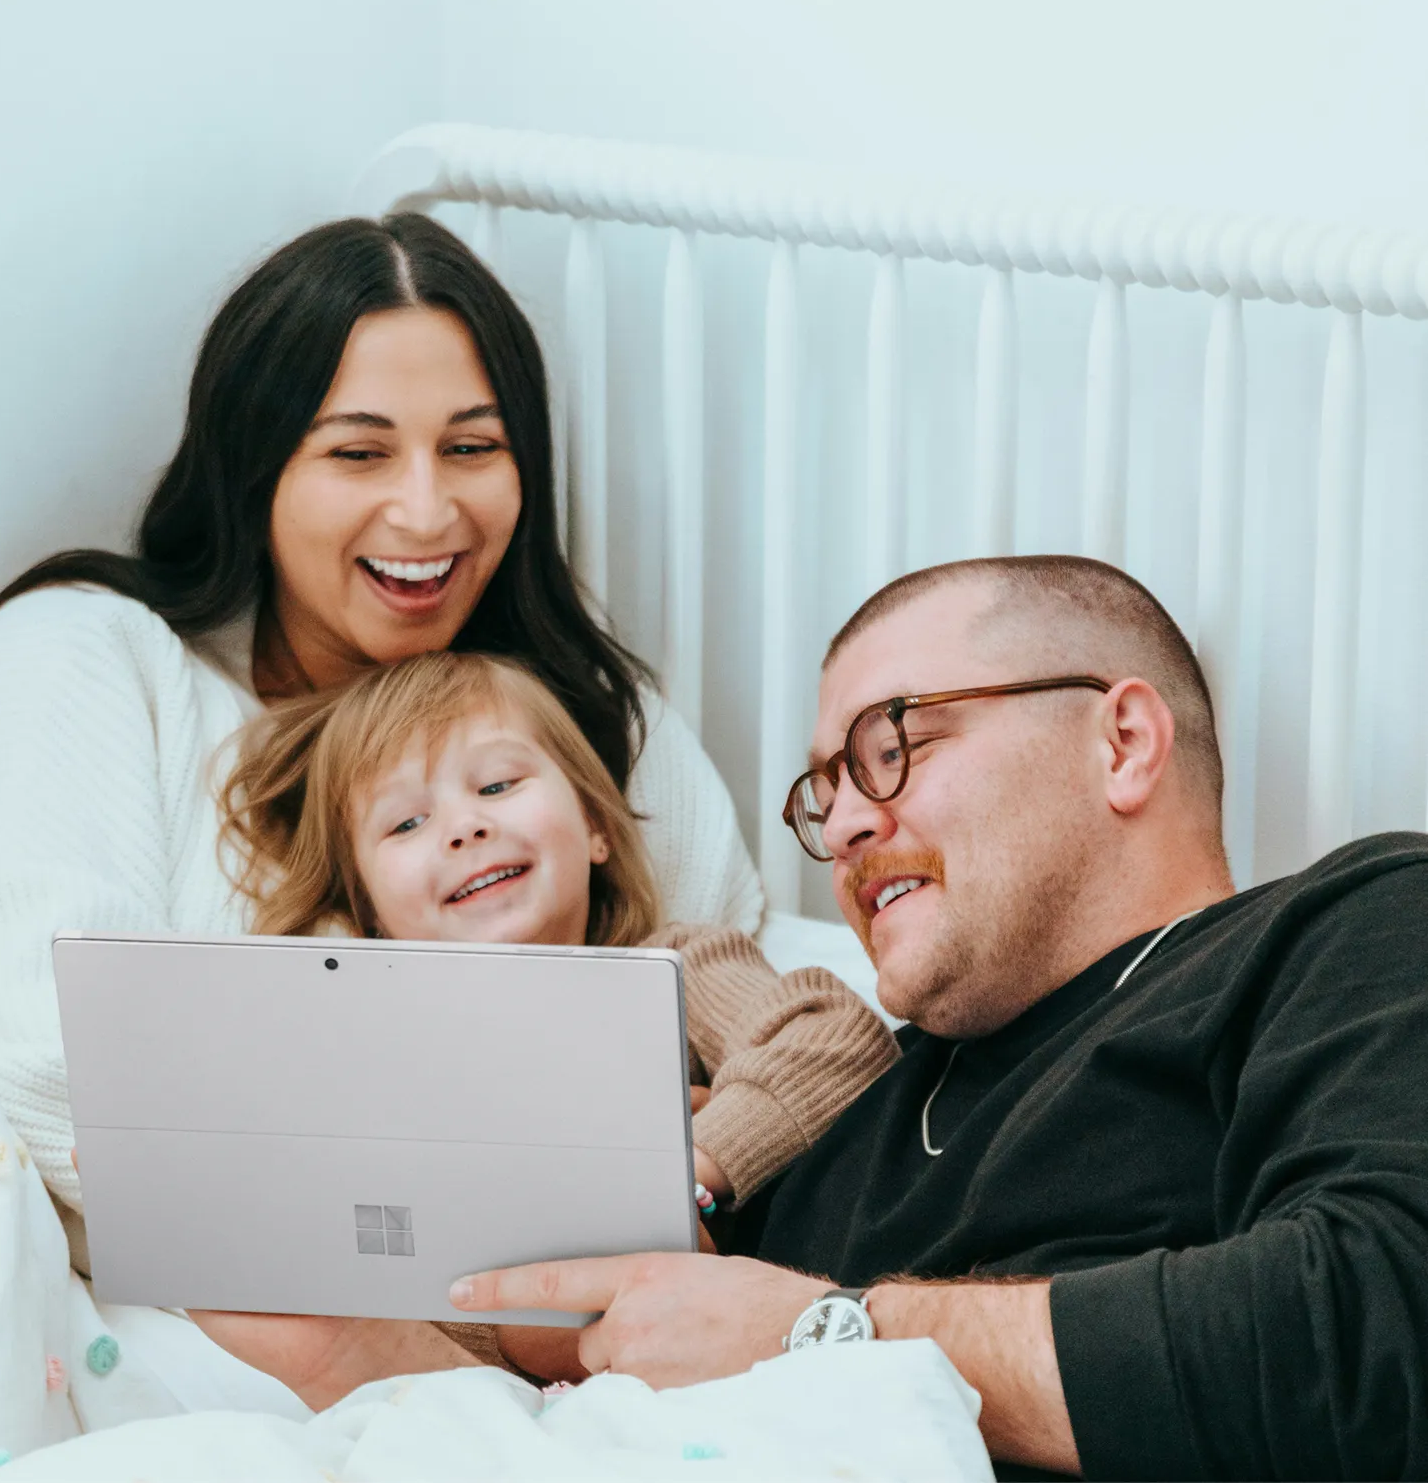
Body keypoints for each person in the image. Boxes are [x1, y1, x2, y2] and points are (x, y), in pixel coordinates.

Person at [274, 556, 1428, 1482]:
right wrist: (338, 1333)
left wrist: (825, 1335)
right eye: (825, 796)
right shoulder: (852, 1119)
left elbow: (1378, 1341)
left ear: (1120, 741)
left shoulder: (1348, 926)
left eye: (892, 749)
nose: (849, 824)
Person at [0, 215, 763, 1244]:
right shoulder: (89, 657)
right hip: (27, 1236)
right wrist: (485, 1157)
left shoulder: (599, 726)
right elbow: (17, 1041)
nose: (426, 511)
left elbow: (739, 1019)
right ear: (257, 469)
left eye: (472, 447)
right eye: (359, 452)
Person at [193, 650, 895, 1380]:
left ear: (594, 825)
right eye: (405, 824)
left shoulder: (670, 966)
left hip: (706, 1340)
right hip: (486, 1367)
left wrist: (682, 1166)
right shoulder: (380, 1061)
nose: (463, 828)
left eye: (496, 784)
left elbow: (831, 1039)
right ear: (368, 914)